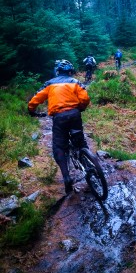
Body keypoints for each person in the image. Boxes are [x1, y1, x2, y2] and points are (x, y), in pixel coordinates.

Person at [28, 59, 90, 195]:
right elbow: (85, 98)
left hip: (59, 117)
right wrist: (81, 108)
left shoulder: (50, 83)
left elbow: (35, 99)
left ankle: (66, 177)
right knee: (79, 139)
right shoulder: (75, 82)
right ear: (70, 71)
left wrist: (31, 110)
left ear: (57, 71)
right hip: (74, 114)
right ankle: (89, 163)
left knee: (59, 146)